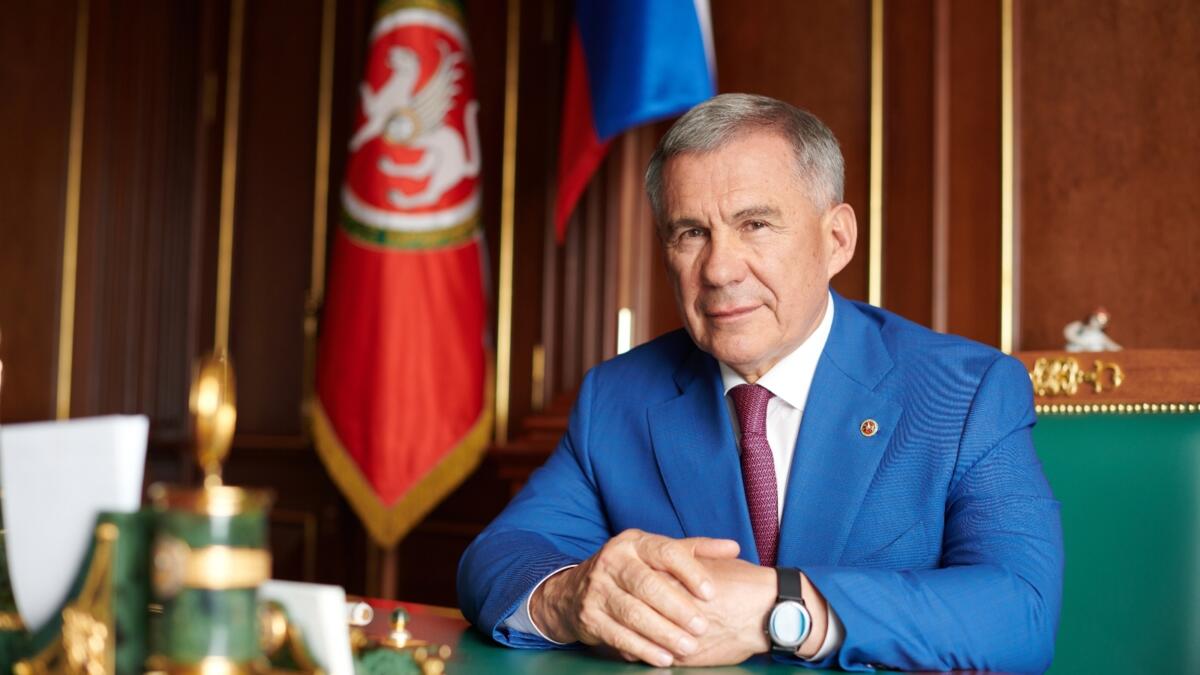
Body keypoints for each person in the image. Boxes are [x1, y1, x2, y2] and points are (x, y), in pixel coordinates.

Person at [458, 93, 1063, 671]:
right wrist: (570, 596)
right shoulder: (617, 398)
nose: (719, 269)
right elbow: (497, 559)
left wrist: (782, 608)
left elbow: (1020, 611)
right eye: (691, 233)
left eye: (755, 224)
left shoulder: (964, 391)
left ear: (836, 240)